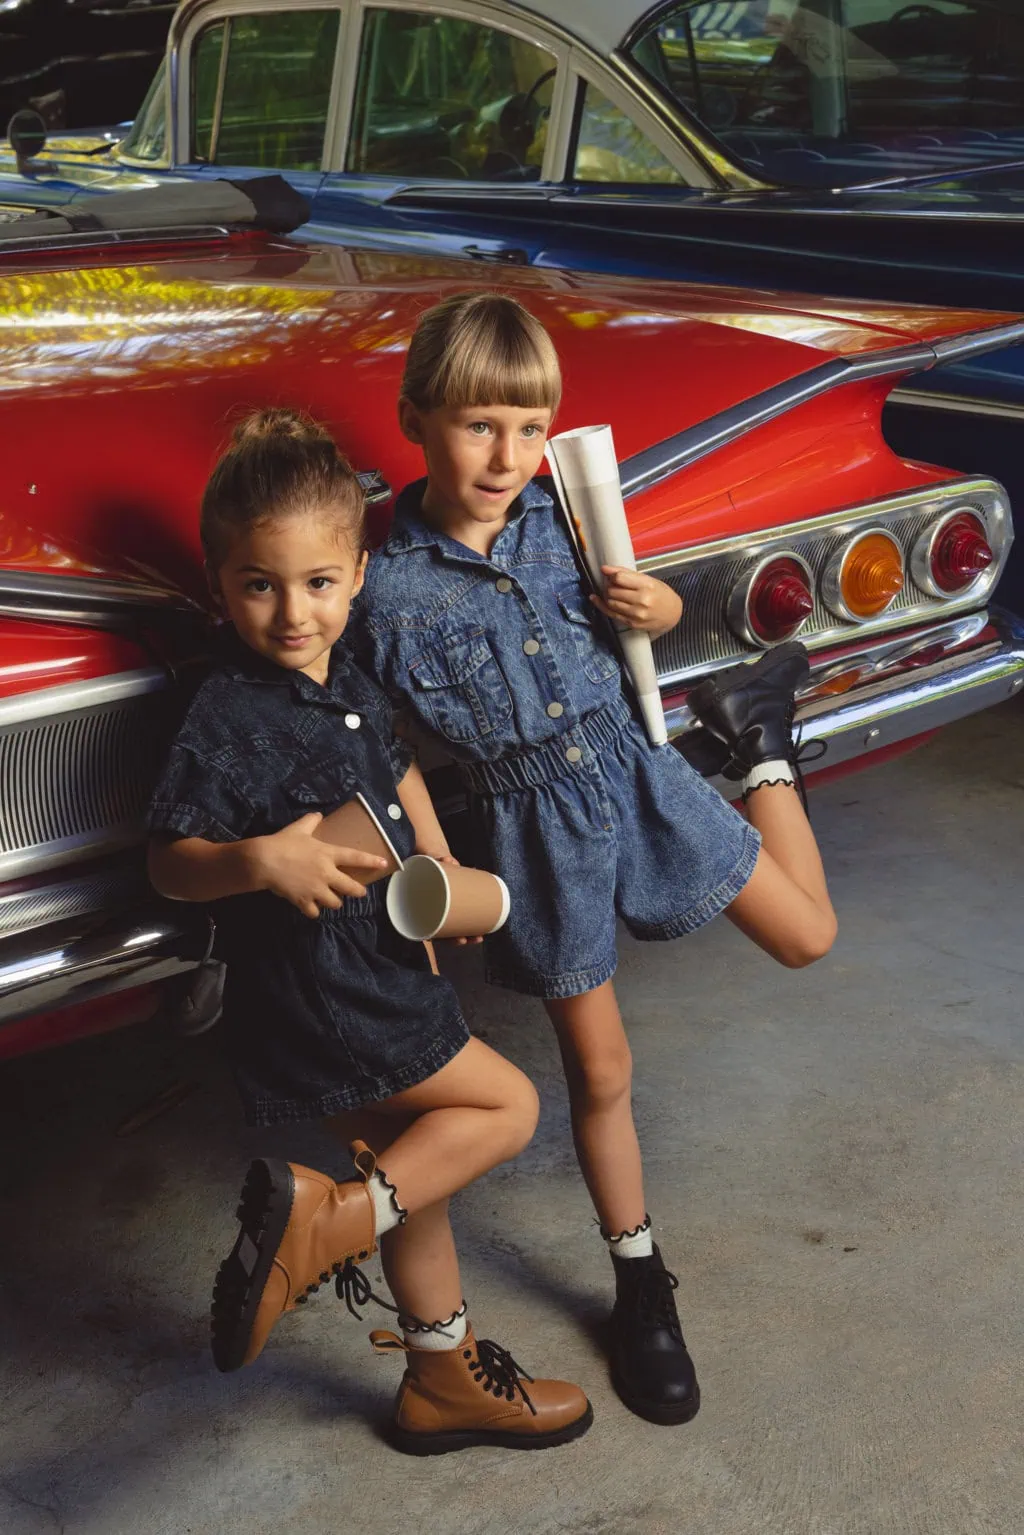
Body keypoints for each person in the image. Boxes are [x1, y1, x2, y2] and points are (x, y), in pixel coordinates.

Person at [355, 292, 838, 1427]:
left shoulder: (568, 512)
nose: (507, 457)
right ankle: (638, 1280)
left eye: (529, 428)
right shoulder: (382, 588)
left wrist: (659, 607)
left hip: (636, 772)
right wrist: (434, 856)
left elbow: (644, 615)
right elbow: (382, 742)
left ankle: (763, 744)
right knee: (602, 1068)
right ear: (414, 419)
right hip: (529, 828)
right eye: (480, 426)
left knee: (808, 935)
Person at [145, 409, 593, 1455]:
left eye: (316, 582)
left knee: (411, 1178)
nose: (292, 612)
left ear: (355, 574)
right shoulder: (225, 713)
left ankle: (440, 1379)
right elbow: (168, 861)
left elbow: (392, 765)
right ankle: (324, 1227)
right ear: (220, 584)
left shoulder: (342, 671)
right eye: (259, 585)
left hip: (385, 956)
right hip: (328, 988)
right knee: (509, 1105)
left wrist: (434, 860)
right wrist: (260, 860)